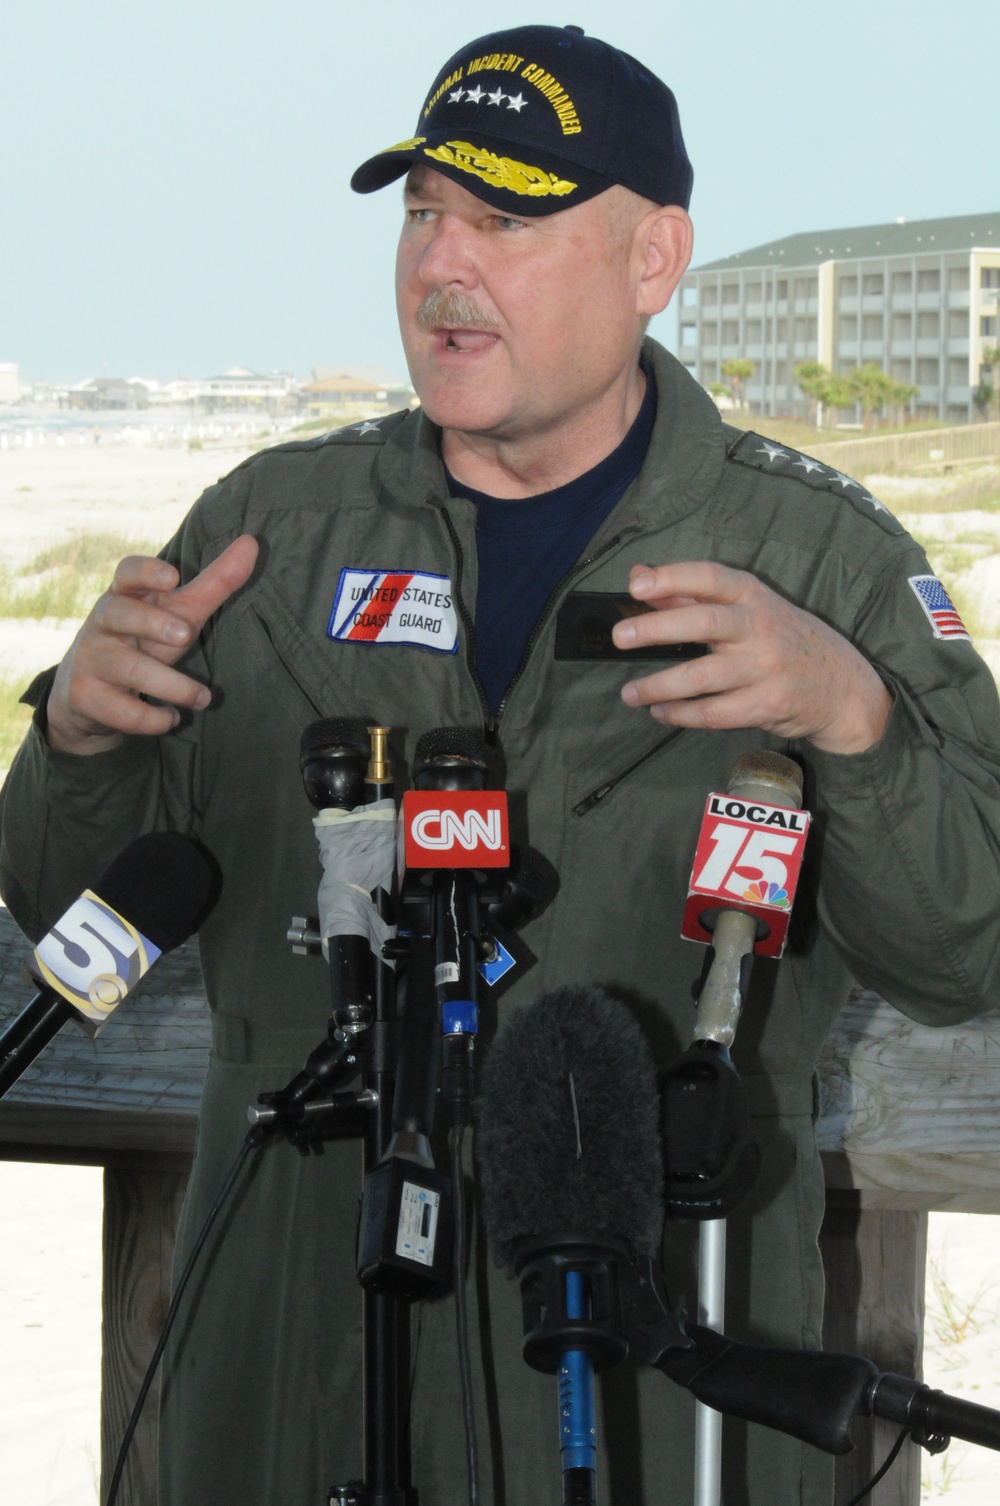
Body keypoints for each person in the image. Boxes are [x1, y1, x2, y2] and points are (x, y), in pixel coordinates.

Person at [2, 23, 999, 1506]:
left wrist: (854, 718)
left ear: (654, 257)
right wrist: (74, 739)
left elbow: (965, 950)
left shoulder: (821, 562)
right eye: (419, 214)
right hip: (295, 1372)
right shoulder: (269, 536)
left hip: (660, 1390)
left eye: (504, 219)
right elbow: (64, 900)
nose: (437, 266)